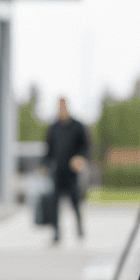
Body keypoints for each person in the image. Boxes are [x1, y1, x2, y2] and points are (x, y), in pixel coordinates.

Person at [43, 97, 89, 243]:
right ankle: (56, 232)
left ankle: (79, 226)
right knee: (54, 203)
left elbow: (85, 146)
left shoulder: (77, 126)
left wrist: (80, 158)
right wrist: (44, 165)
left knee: (75, 201)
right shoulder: (54, 127)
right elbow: (49, 149)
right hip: (58, 171)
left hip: (72, 172)